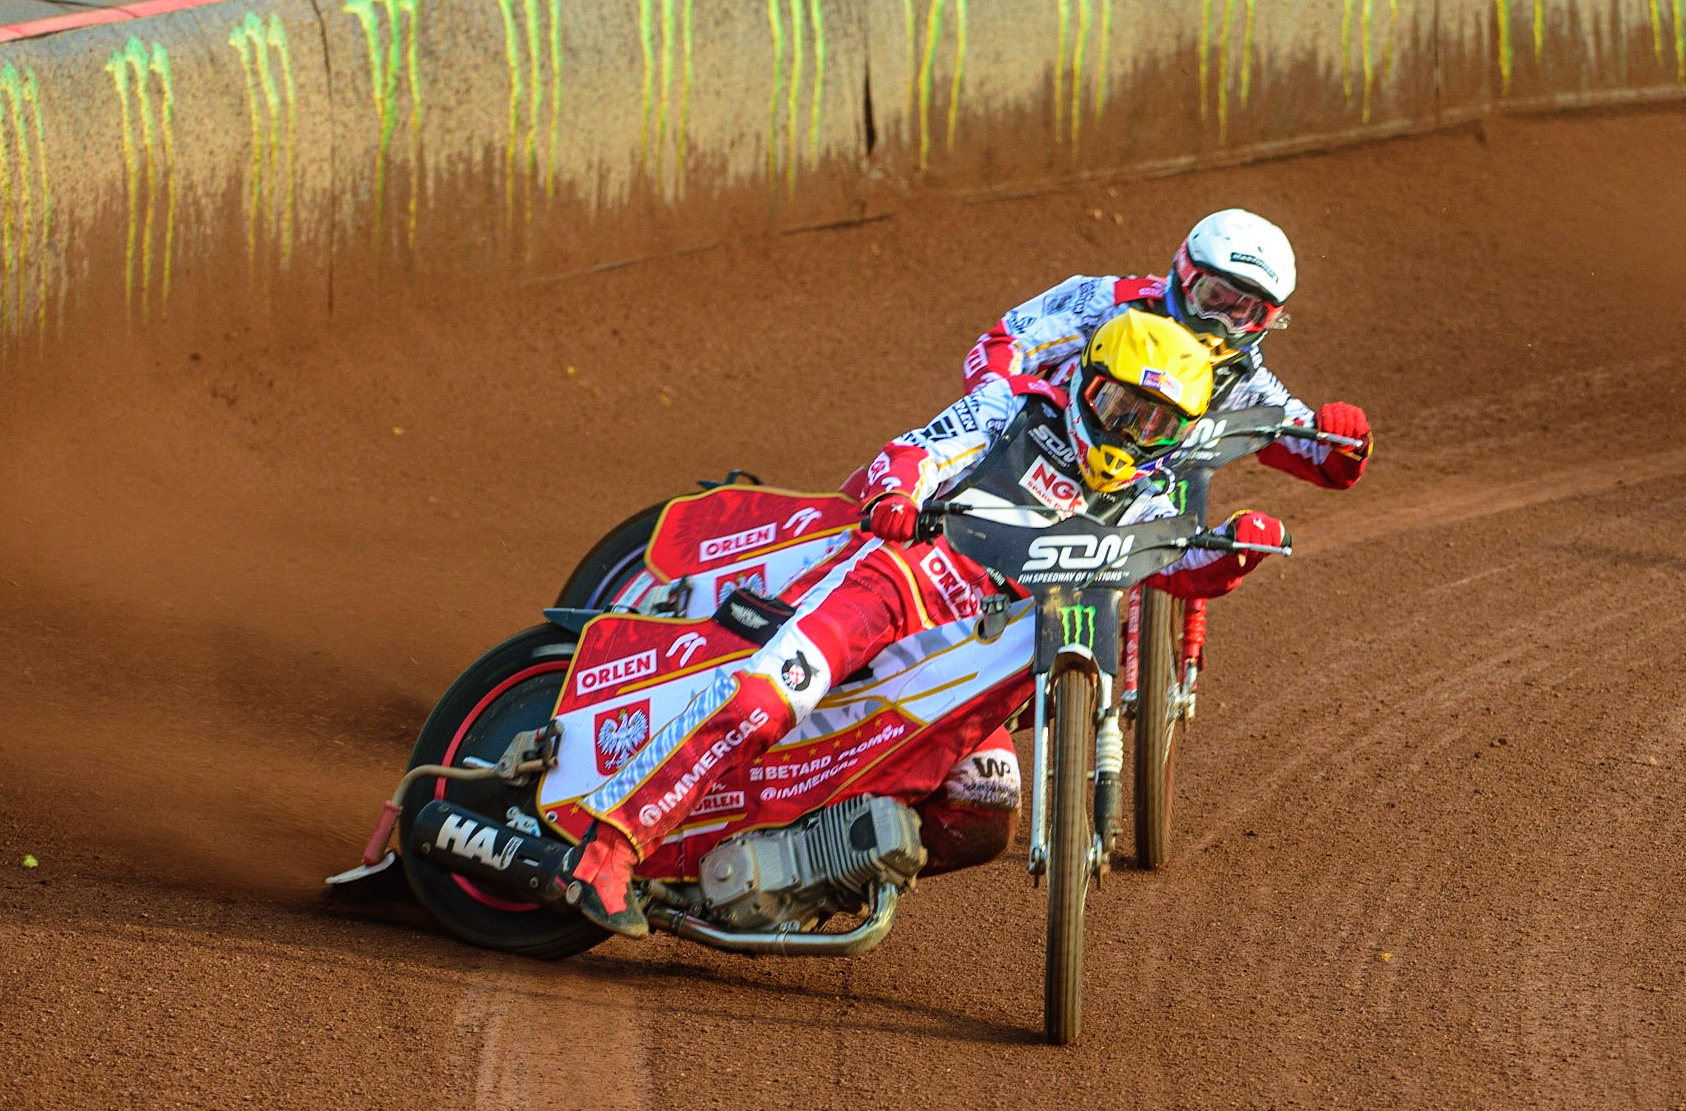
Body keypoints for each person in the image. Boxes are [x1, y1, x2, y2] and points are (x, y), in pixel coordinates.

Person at [556, 310, 1307, 938]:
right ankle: (611, 849)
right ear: (1086, 382)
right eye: (1119, 409)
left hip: (980, 657)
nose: (1128, 433)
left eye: (1153, 424)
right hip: (899, 588)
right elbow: (917, 451)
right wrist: (897, 492)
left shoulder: (1147, 498)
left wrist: (1237, 554)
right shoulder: (1015, 408)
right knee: (764, 700)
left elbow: (1174, 570)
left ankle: (804, 877)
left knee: (983, 813)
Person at [963, 207, 1373, 490]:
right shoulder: (1111, 303)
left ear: (1265, 320)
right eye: (1214, 298)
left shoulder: (1241, 380)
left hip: (1137, 497)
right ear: (1184, 275)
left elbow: (1320, 458)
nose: (1219, 324)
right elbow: (1003, 343)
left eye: (1242, 312)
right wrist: (995, 417)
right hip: (1032, 459)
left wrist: (1347, 441)